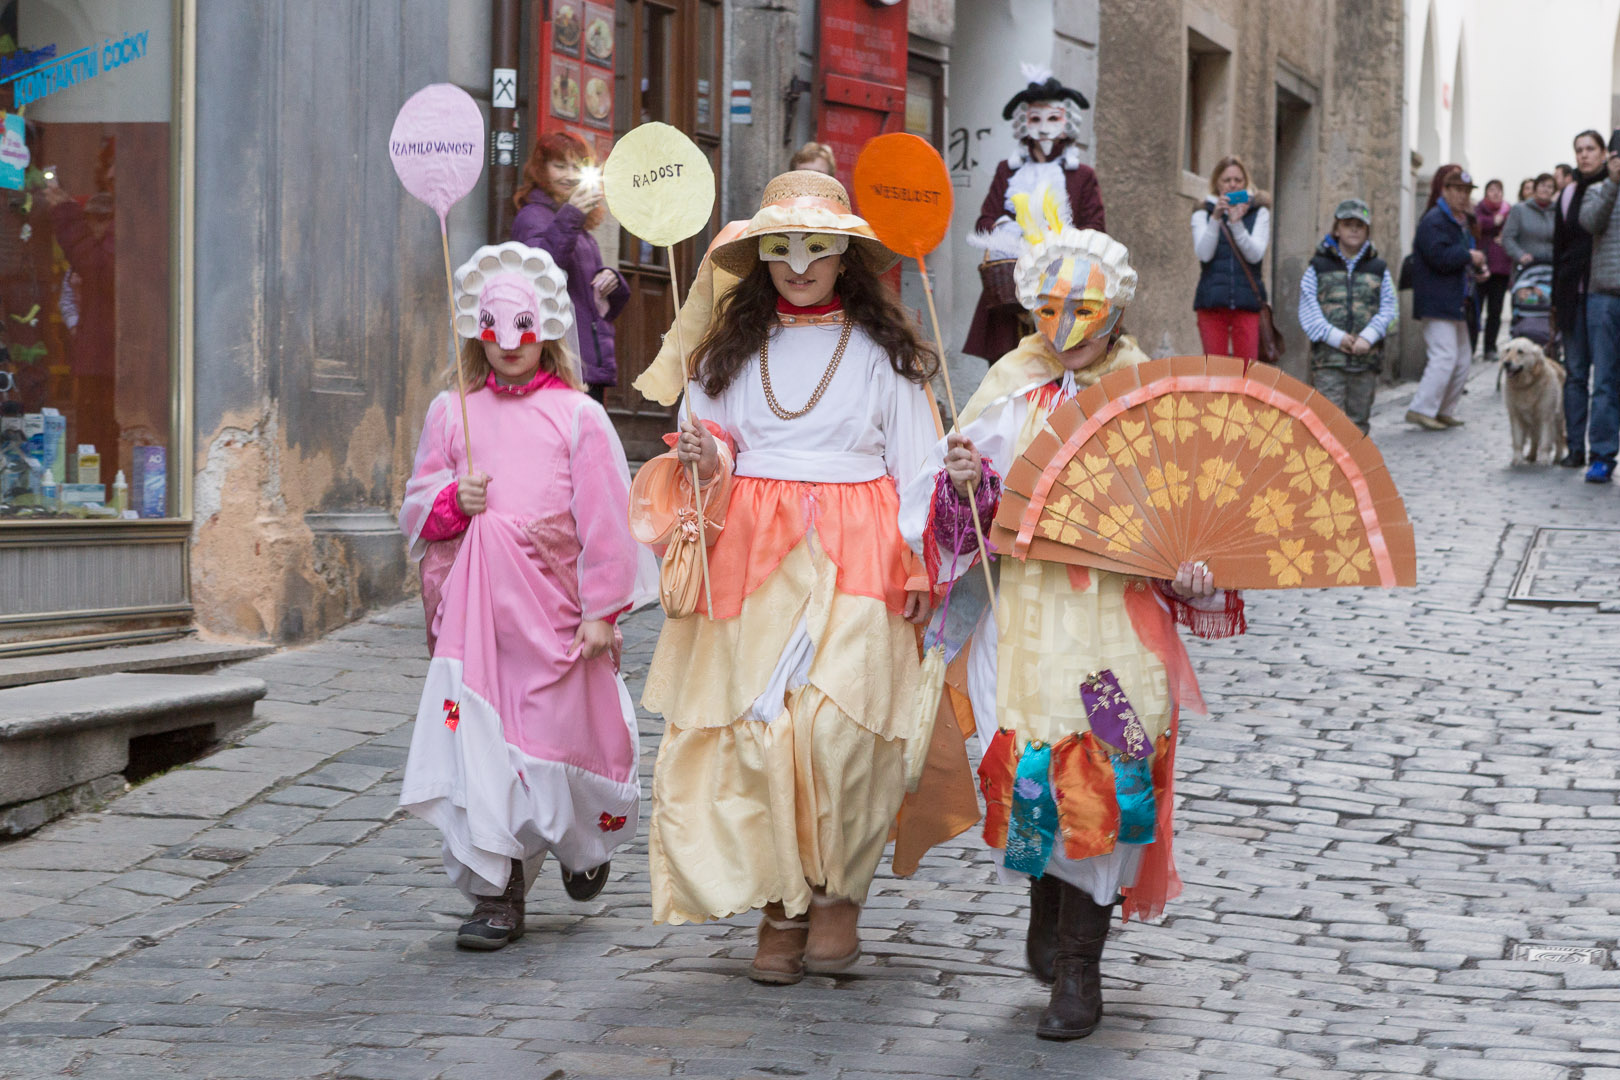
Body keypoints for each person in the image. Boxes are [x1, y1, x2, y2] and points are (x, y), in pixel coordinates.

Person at [899, 223, 1245, 1040]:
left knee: (1109, 774)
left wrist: (1191, 568)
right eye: (1050, 305)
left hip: (1114, 628)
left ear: (1115, 309)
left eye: (1083, 306)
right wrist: (963, 487)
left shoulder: (1151, 397)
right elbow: (958, 526)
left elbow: (1190, 516)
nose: (1065, 323)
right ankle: (1044, 902)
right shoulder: (1011, 386)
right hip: (1022, 621)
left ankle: (1080, 966)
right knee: (1030, 773)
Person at [630, 170, 941, 982]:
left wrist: (920, 554)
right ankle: (780, 906)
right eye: (782, 247)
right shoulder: (727, 354)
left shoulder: (886, 354)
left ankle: (837, 896)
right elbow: (708, 444)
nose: (799, 264)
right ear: (760, 256)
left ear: (848, 257)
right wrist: (706, 456)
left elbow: (917, 464)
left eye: (818, 247)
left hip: (862, 547)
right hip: (755, 552)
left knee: (840, 730)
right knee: (762, 732)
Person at [397, 242, 656, 950]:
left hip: (554, 615)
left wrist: (603, 611)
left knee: (556, 744)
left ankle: (582, 844)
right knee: (483, 749)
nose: (509, 346)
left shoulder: (578, 418)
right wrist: (454, 499)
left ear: (544, 330)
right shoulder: (453, 414)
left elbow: (608, 521)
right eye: (494, 329)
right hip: (477, 626)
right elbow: (417, 507)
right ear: (479, 331)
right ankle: (498, 894)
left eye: (523, 329)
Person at [965, 62, 1104, 362]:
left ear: (1067, 122)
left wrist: (1064, 240)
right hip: (1010, 290)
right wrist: (1008, 229)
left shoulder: (1082, 176)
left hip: (1063, 289)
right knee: (1006, 367)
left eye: (1053, 118)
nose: (1043, 126)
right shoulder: (1007, 170)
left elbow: (1096, 229)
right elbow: (985, 220)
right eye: (1035, 117)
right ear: (1023, 122)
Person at [511, 132, 630, 403]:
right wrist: (573, 214)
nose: (569, 174)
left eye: (577, 166)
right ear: (542, 170)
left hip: (585, 360)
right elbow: (539, 271)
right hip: (557, 360)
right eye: (559, 166)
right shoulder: (532, 216)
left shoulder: (579, 227)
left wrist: (612, 281)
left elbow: (591, 297)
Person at [1297, 198, 1397, 434]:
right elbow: (1308, 307)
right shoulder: (1318, 266)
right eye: (1347, 224)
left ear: (1367, 231)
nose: (1353, 229)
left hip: (1366, 361)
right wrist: (1333, 336)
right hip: (1329, 361)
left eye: (1359, 225)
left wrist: (1369, 336)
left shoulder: (1378, 269)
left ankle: (1355, 471)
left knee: (1358, 424)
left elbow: (1389, 310)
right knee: (1328, 422)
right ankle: (1330, 471)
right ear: (1337, 229)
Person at [1407, 165, 1486, 431]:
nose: (1463, 196)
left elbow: (1458, 257)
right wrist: (1468, 257)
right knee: (1444, 356)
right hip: (1437, 301)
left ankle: (1443, 410)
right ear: (1446, 190)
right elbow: (1438, 256)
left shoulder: (1460, 222)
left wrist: (1476, 269)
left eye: (1467, 191)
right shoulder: (1434, 220)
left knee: (1463, 359)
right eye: (1458, 190)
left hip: (1456, 301)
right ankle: (1421, 408)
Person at [1555, 131, 1608, 468]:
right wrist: (1553, 304)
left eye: (1590, 149)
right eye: (1579, 150)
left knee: (1604, 376)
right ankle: (1575, 447)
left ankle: (1601, 450)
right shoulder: (1569, 193)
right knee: (1575, 374)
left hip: (1603, 293)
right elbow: (1559, 248)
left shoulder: (1611, 187)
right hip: (1572, 293)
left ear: (1603, 152)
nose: (1584, 155)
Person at [1191, 155, 1271, 360]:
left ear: (1246, 182)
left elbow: (1255, 255)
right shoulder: (1203, 212)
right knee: (1215, 372)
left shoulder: (1259, 211)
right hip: (1211, 303)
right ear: (1217, 184)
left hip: (1247, 303)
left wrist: (1237, 224)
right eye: (1227, 180)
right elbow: (1204, 253)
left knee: (1245, 373)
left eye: (1238, 180)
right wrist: (1215, 218)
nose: (1233, 185)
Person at [1575, 141, 1620, 483]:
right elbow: (1590, 223)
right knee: (1603, 381)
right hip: (1603, 297)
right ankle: (1602, 455)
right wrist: (1613, 184)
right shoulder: (1595, 190)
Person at [1473, 179, 1513, 361]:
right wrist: (1492, 221)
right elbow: (1475, 226)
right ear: (1486, 192)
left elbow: (1513, 232)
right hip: (1481, 267)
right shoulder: (1478, 209)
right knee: (1476, 310)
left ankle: (1490, 347)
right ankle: (1472, 347)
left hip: (1501, 269)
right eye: (1492, 190)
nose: (1496, 193)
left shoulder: (1509, 211)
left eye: (1499, 190)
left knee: (1495, 311)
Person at [1503, 173, 1558, 268]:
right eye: (1542, 185)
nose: (1545, 190)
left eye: (1550, 187)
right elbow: (1507, 237)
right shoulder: (1519, 209)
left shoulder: (1557, 212)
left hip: (1550, 266)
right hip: (1526, 267)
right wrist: (1520, 255)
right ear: (1535, 188)